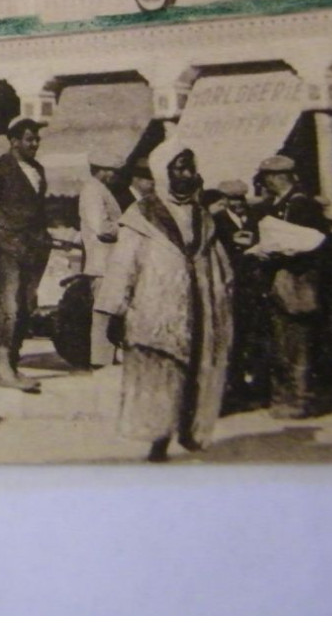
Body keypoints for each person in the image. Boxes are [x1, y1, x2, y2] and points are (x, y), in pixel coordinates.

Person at [92, 143, 234, 462]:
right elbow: (123, 264)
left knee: (197, 367)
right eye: (179, 168)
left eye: (190, 168)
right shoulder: (142, 214)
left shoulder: (202, 216)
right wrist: (115, 311)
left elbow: (217, 262)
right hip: (155, 305)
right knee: (160, 371)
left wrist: (223, 295)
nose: (187, 175)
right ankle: (158, 439)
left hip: (199, 305)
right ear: (163, 172)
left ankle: (189, 429)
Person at [0, 118, 53, 392]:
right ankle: (4, 368)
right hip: (7, 249)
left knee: (27, 305)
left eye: (37, 139)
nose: (34, 144)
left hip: (35, 249)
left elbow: (39, 210)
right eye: (29, 139)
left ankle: (13, 365)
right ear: (14, 141)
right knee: (10, 306)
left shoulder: (38, 170)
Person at [250, 155, 332, 419]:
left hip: (296, 284)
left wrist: (277, 254)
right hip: (281, 283)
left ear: (276, 177)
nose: (264, 184)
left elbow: (314, 245)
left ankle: (300, 400)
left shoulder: (302, 205)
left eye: (266, 178)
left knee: (296, 345)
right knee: (282, 344)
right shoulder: (280, 204)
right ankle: (286, 398)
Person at [212, 178, 267, 406]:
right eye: (234, 200)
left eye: (241, 199)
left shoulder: (254, 220)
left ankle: (257, 385)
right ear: (224, 201)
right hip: (232, 286)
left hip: (254, 287)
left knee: (255, 336)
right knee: (233, 338)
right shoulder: (217, 221)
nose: (239, 204)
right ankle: (234, 386)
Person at [77, 151, 124, 280]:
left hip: (107, 266)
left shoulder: (100, 189)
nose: (115, 176)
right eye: (113, 171)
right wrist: (128, 230)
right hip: (101, 268)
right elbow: (102, 229)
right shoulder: (93, 191)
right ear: (101, 170)